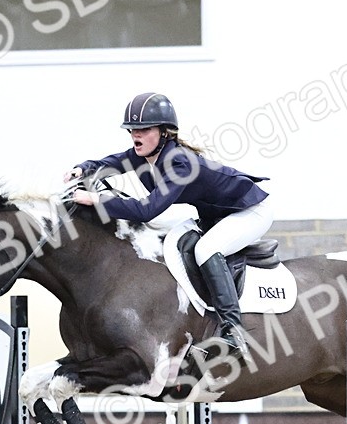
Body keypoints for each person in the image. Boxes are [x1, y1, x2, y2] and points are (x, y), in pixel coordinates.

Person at [65, 92, 272, 364]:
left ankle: (234, 332)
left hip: (250, 212)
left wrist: (96, 199)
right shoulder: (147, 154)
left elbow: (146, 209)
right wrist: (84, 170)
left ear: (164, 133)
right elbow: (115, 162)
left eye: (143, 129)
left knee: (206, 250)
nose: (135, 135)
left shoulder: (178, 161)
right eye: (132, 130)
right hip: (216, 216)